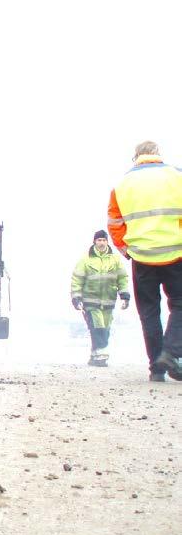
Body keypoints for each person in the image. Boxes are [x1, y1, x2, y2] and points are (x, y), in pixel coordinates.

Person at [108, 141, 182, 382]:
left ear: (136, 157)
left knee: (149, 312)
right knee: (180, 305)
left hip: (141, 257)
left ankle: (156, 369)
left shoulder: (122, 185)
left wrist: (126, 249)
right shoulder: (176, 176)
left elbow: (115, 223)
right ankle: (170, 352)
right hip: (176, 254)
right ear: (157, 154)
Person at [71, 230, 129, 366]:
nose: (101, 243)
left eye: (103, 240)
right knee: (98, 326)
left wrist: (124, 296)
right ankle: (101, 356)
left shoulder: (115, 260)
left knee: (106, 329)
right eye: (99, 240)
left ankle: (95, 354)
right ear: (94, 242)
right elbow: (77, 280)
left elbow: (122, 278)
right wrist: (76, 298)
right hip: (91, 301)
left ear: (107, 242)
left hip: (109, 301)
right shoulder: (85, 260)